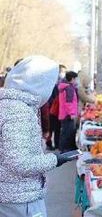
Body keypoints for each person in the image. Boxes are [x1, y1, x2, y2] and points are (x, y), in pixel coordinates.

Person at [0, 56, 73, 217]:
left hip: (11, 194)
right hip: (20, 199)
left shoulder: (10, 104)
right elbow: (20, 162)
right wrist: (55, 160)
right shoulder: (18, 112)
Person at [58, 71, 78, 153]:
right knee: (67, 132)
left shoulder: (65, 87)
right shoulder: (69, 88)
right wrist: (72, 113)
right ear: (72, 79)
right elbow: (69, 103)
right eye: (75, 79)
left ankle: (63, 148)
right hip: (68, 114)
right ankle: (64, 150)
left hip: (64, 113)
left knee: (64, 131)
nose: (76, 81)